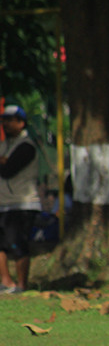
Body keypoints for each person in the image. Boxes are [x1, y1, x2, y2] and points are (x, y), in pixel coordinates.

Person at [0, 104, 42, 294]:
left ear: (21, 123)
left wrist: (5, 162)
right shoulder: (4, 145)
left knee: (17, 242)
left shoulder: (26, 146)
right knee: (2, 244)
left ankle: (22, 285)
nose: (6, 124)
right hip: (2, 203)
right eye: (4, 120)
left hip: (22, 202)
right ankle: (5, 282)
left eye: (10, 120)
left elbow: (8, 170)